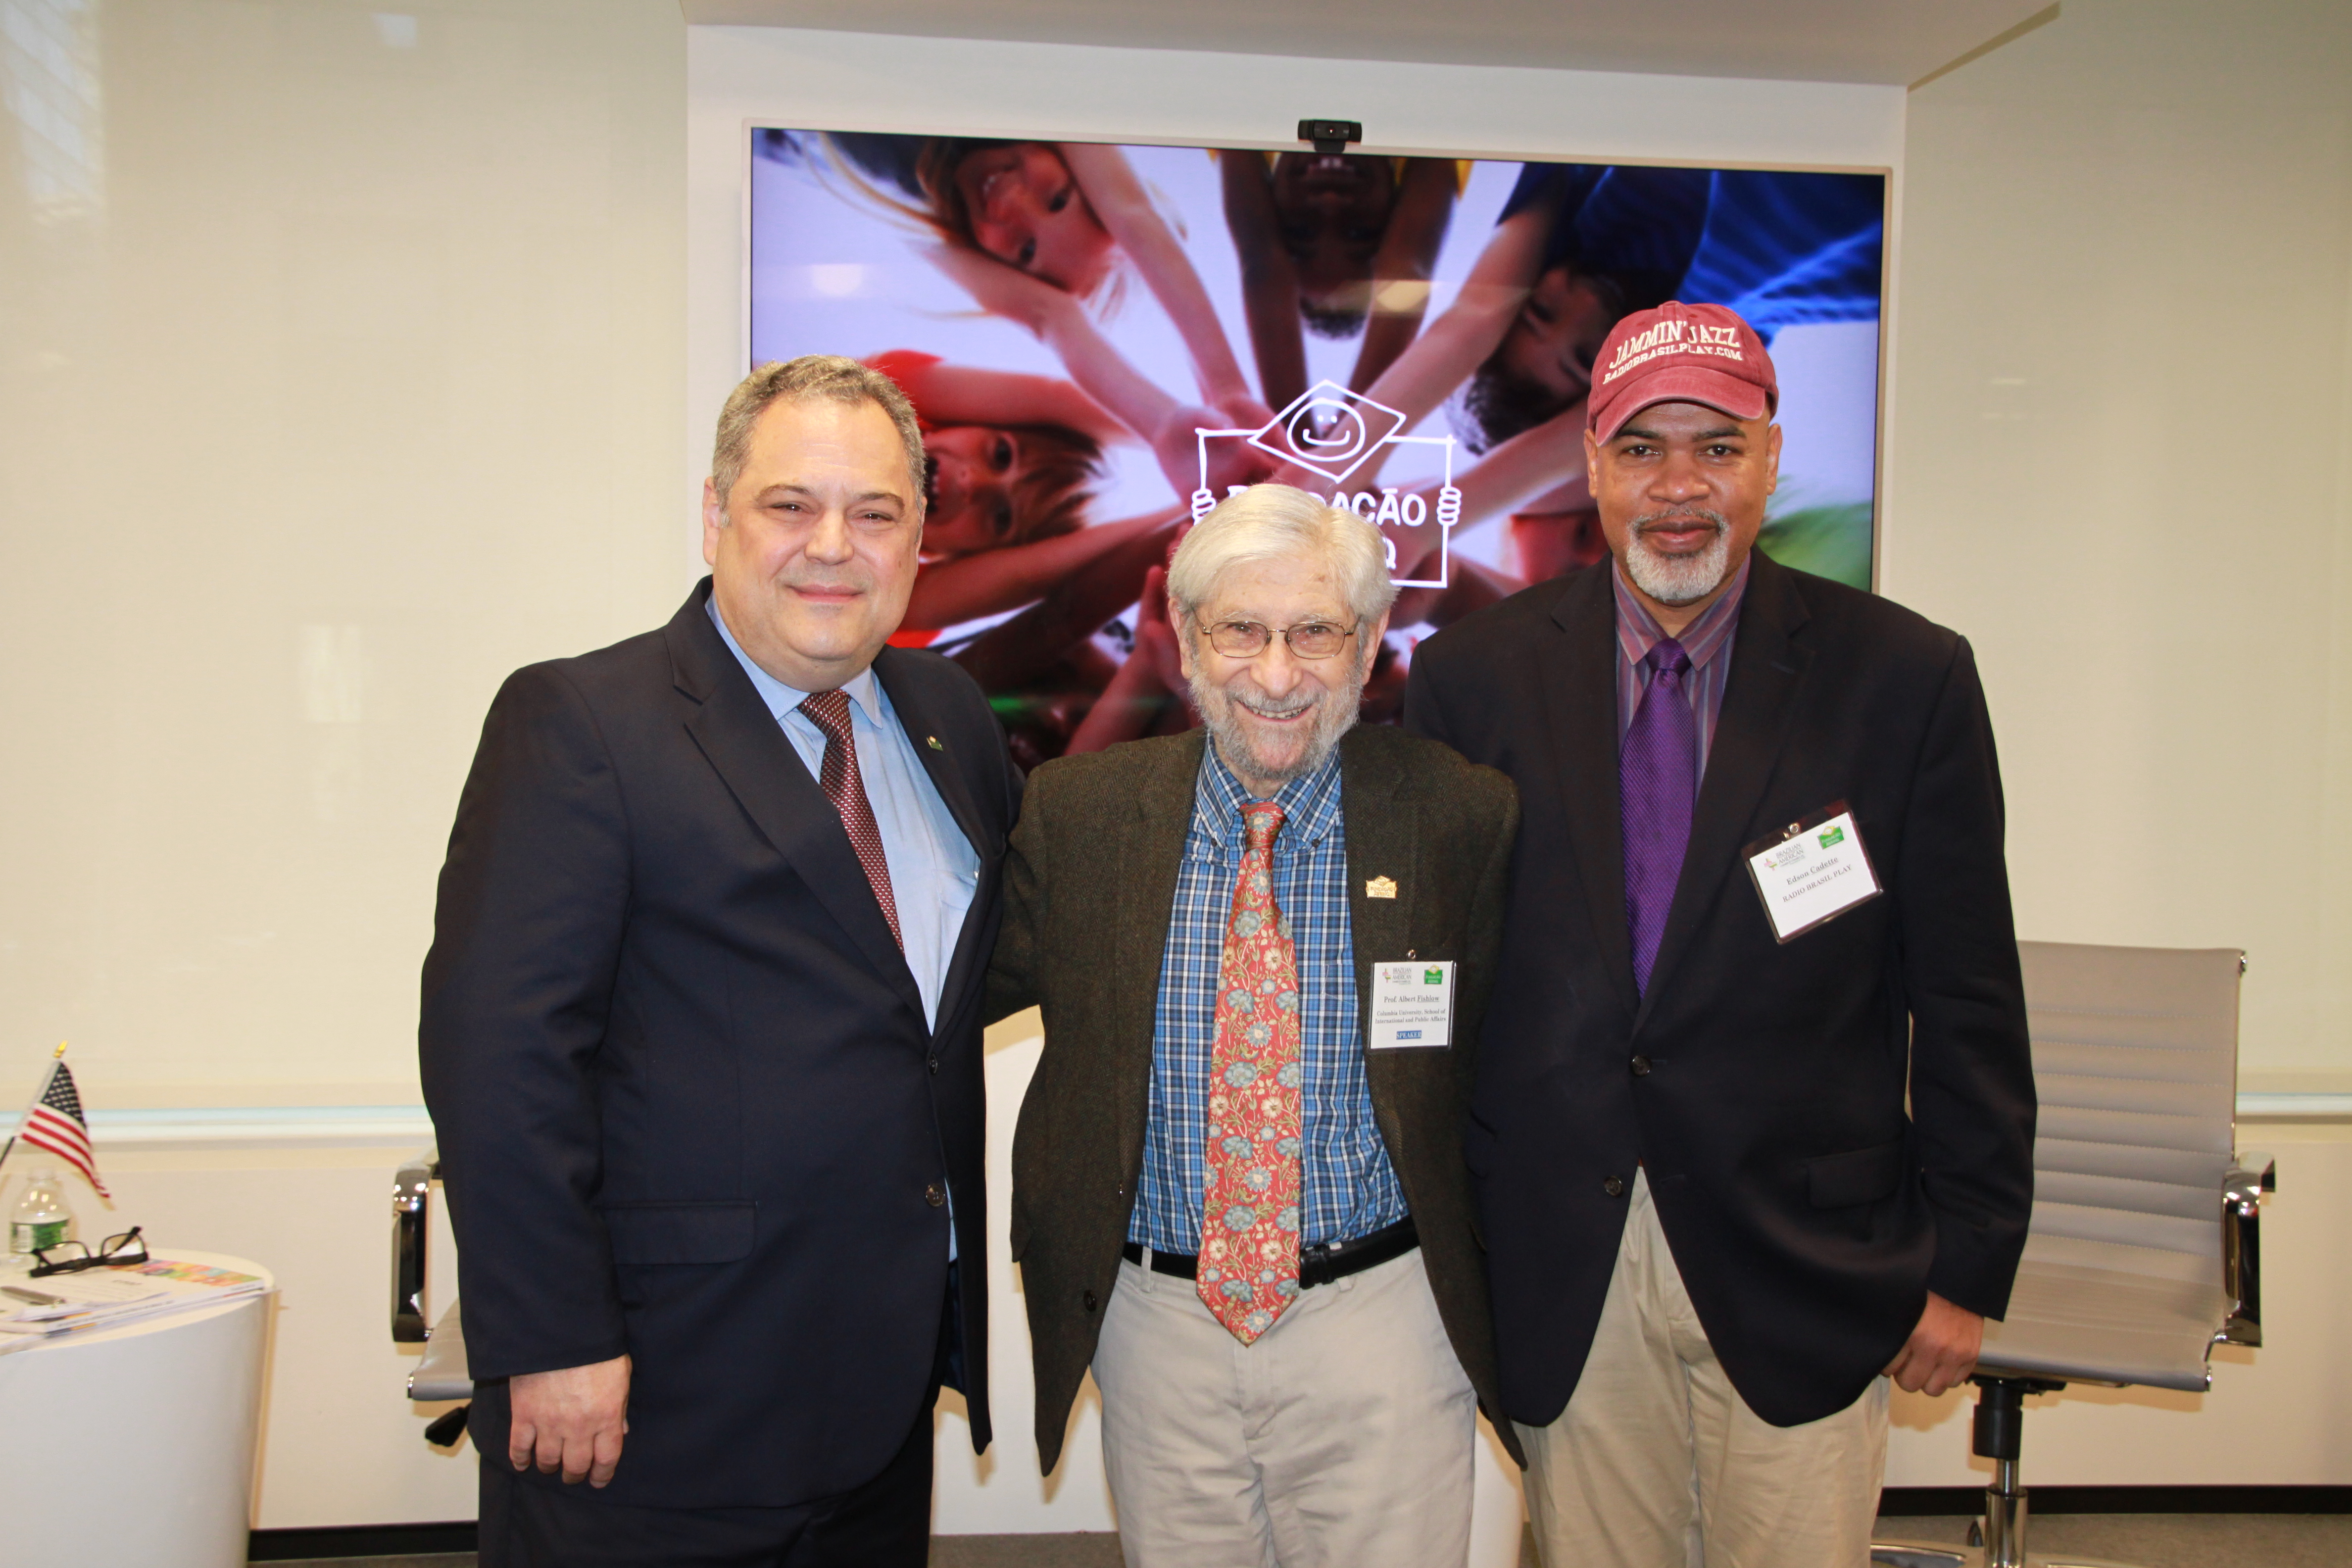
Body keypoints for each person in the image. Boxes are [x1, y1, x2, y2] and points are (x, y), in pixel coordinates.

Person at [1404, 302, 2035, 1567]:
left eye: (1718, 447)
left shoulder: (1904, 678)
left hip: (1810, 1259)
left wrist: (1969, 1262)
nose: (1679, 487)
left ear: (1771, 458)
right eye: (1642, 449)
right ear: (1592, 465)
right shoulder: (1471, 680)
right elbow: (1436, 980)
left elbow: (1966, 991)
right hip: (1566, 1258)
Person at [419, 355, 1021, 1567]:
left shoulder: (948, 715)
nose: (832, 548)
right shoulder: (584, 723)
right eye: (791, 505)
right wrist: (551, 1337)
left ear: (919, 538)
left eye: (875, 514)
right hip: (656, 1401)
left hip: (878, 1392)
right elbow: (501, 1057)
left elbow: (945, 997)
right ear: (716, 514)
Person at [986, 485, 1524, 1568]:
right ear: (1187, 636)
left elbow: (1515, 1060)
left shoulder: (1458, 814)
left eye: (1315, 632)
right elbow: (952, 1005)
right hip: (1158, 1329)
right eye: (1241, 630)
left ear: (1368, 641)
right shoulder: (1080, 814)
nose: (1277, 677)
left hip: (1382, 1323)